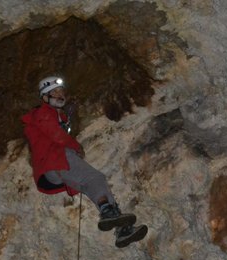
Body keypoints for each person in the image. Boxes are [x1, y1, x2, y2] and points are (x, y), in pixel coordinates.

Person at [22, 76, 147, 248]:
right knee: (94, 179)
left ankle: (122, 229)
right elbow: (55, 135)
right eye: (54, 92)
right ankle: (108, 213)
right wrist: (76, 146)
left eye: (61, 91)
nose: (60, 94)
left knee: (94, 183)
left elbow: (57, 131)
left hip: (55, 168)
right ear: (45, 97)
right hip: (55, 160)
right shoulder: (42, 113)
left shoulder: (59, 117)